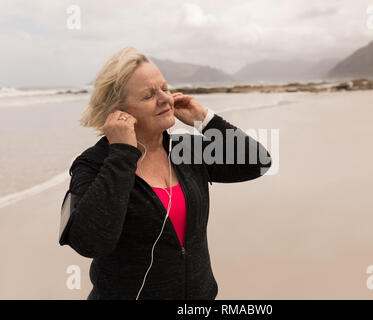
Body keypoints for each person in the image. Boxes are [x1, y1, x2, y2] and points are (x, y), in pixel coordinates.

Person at [60, 46, 272, 300]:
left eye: (164, 88)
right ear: (119, 112)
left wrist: (205, 120)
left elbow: (257, 161)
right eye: (149, 95)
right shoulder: (93, 164)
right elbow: (90, 242)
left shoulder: (187, 150)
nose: (165, 99)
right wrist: (121, 154)